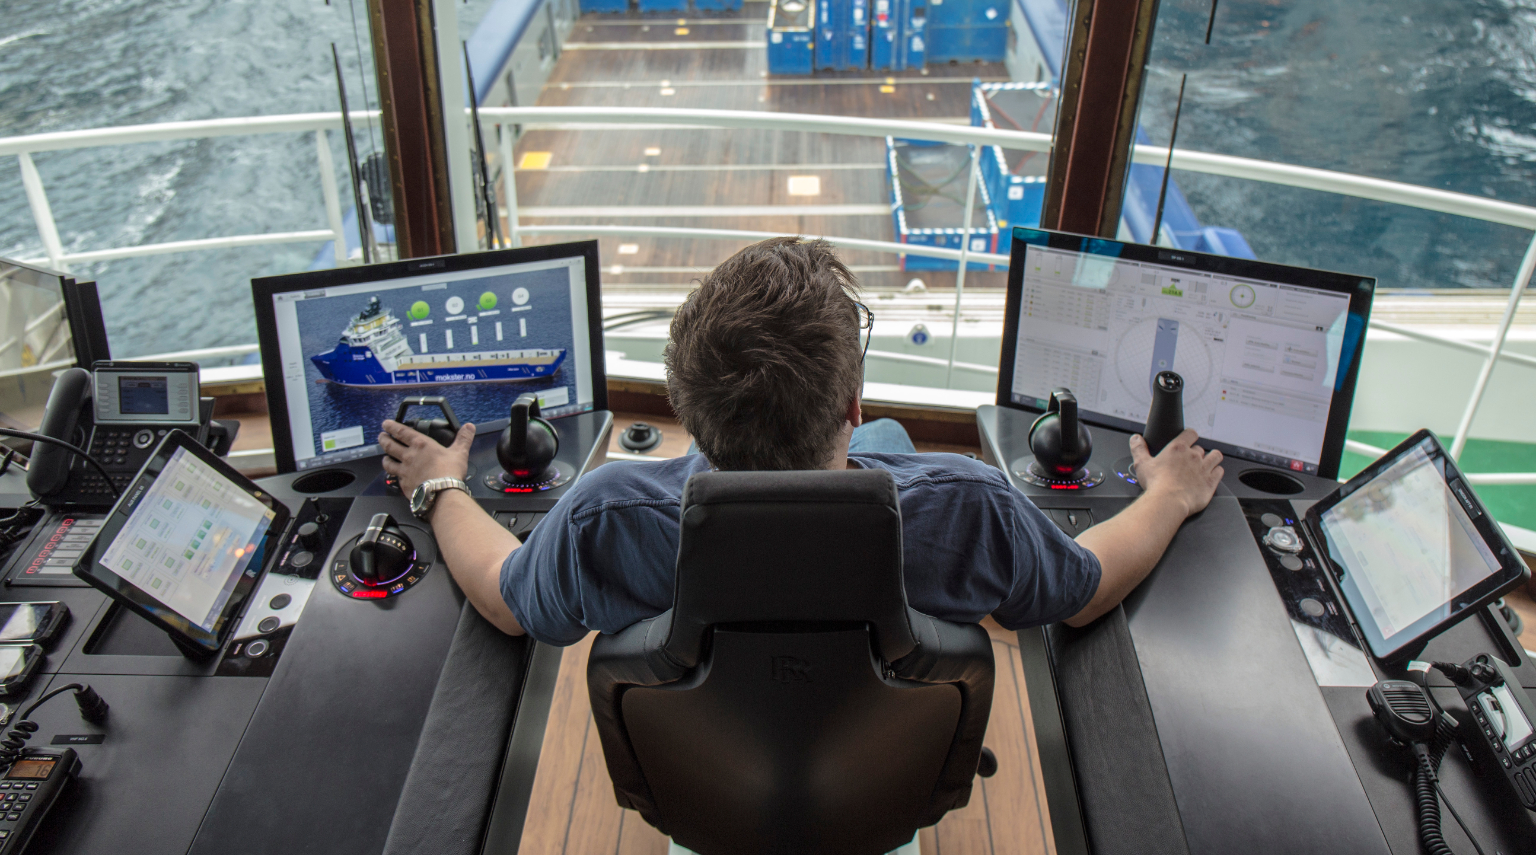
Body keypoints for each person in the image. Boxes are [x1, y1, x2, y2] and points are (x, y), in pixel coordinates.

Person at [377, 237, 1224, 642]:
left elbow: (502, 595)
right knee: (902, 446)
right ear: (851, 402)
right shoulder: (968, 503)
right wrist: (1170, 496)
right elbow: (1086, 589)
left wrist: (441, 483)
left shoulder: (608, 514)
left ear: (685, 406)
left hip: (701, 776)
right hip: (886, 765)